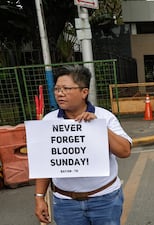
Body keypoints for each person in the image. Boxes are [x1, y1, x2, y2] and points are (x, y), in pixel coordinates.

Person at [34, 65, 132, 225]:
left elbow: (124, 151)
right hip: (65, 204)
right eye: (57, 89)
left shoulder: (104, 116)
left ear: (84, 92)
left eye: (66, 88)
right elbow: (45, 164)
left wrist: (100, 127)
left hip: (105, 200)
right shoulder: (49, 121)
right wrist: (39, 197)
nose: (60, 93)